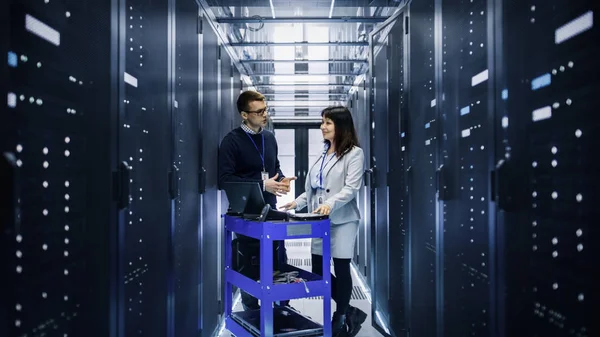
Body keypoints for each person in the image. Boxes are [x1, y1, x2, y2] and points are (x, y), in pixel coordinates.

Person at [280, 106, 367, 337]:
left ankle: (339, 317)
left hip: (343, 220)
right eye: (322, 122)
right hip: (319, 219)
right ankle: (350, 311)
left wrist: (331, 203)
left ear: (341, 126)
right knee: (318, 269)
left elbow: (351, 188)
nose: (322, 127)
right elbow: (313, 188)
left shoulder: (354, 153)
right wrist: (296, 203)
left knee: (340, 266)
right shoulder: (323, 154)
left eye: (328, 123)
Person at [218, 90, 296, 310]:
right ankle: (251, 317)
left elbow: (274, 167)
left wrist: (281, 180)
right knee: (250, 265)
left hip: (269, 210)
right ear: (244, 115)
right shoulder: (231, 142)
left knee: (278, 260)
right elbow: (225, 179)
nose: (265, 115)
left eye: (266, 110)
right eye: (259, 111)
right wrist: (262, 184)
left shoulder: (269, 137)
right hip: (245, 214)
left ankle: (282, 312)